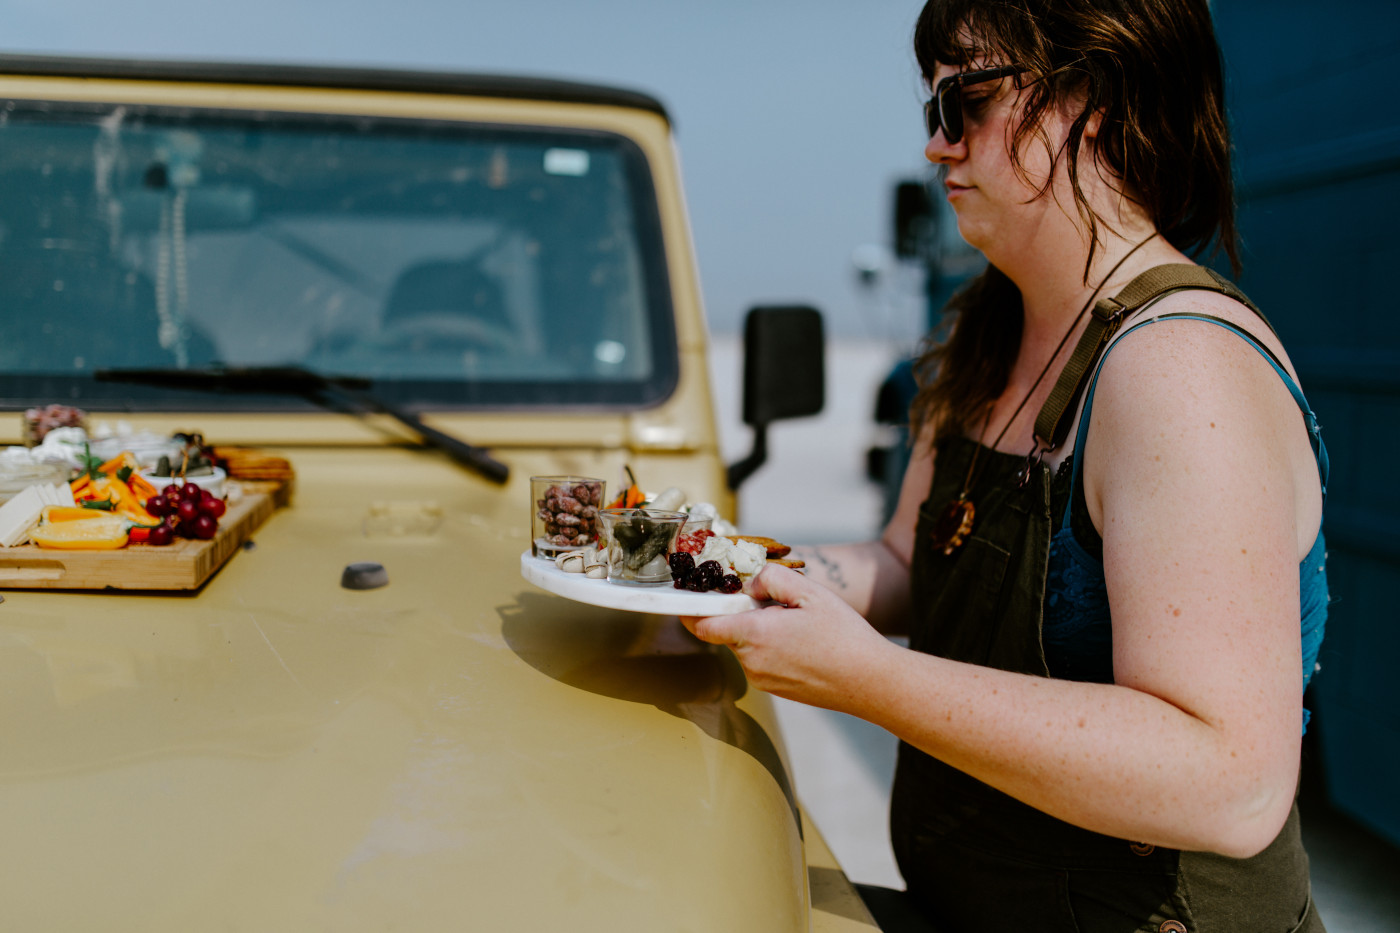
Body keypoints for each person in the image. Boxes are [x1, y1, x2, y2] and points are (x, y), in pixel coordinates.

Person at [682, 0, 1329, 930]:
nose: (937, 147)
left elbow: (1227, 780)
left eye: (965, 104)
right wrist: (740, 578)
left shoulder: (1180, 370)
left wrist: (863, 676)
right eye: (931, 111)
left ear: (1092, 104)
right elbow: (912, 558)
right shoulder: (984, 329)